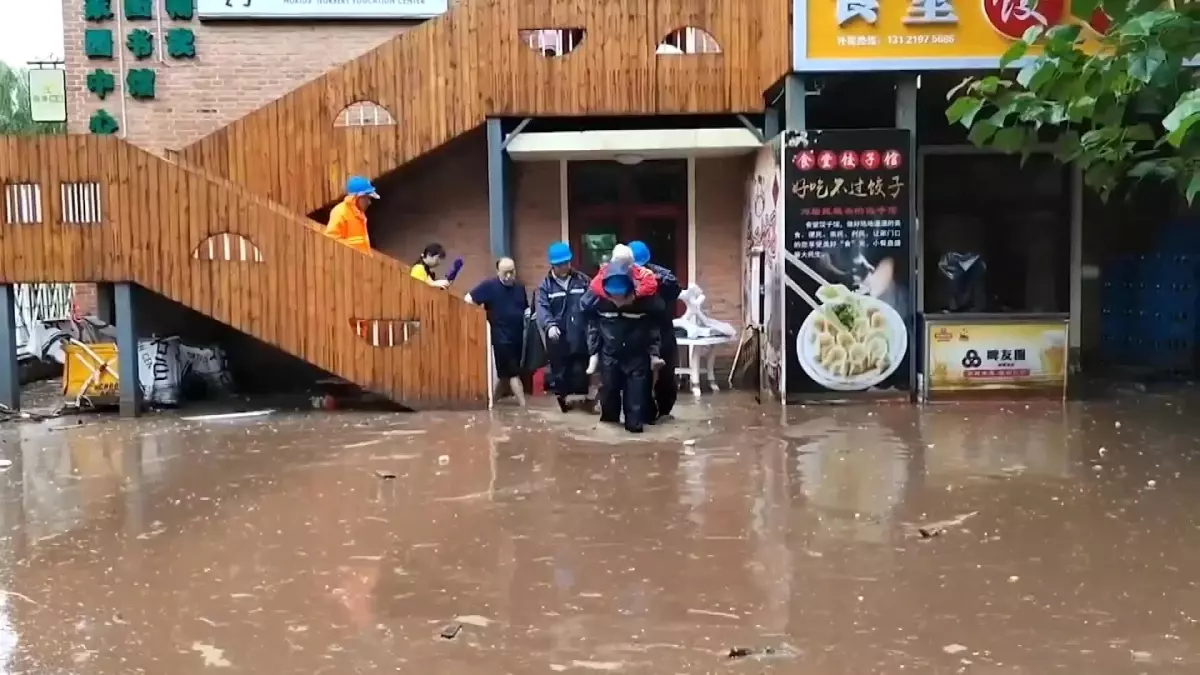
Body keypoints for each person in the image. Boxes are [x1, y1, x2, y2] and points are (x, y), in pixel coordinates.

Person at [580, 248, 666, 433]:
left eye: (622, 297)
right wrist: (593, 350)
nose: (618, 301)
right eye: (614, 297)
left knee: (635, 412)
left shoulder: (646, 298)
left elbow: (658, 319)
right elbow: (585, 312)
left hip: (637, 356)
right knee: (609, 408)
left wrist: (654, 351)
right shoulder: (597, 297)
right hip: (609, 354)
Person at [535, 242, 593, 413]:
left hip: (580, 336)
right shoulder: (545, 286)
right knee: (560, 377)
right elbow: (542, 309)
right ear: (553, 265)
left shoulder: (582, 281)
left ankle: (582, 415)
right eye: (560, 264)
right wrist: (550, 326)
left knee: (581, 374)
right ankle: (565, 411)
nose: (565, 266)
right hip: (557, 338)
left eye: (567, 262)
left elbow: (592, 301)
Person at [628, 240, 682, 422]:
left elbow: (675, 287)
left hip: (663, 329)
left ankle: (665, 411)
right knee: (641, 376)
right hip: (638, 331)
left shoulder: (658, 274)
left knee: (667, 375)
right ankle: (646, 413)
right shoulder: (622, 276)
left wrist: (656, 279)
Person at [466, 257, 529, 406]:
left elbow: (524, 308)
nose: (509, 276)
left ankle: (491, 404)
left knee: (505, 376)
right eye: (505, 273)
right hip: (500, 337)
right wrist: (479, 322)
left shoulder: (519, 288)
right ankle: (524, 408)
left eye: (511, 272)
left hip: (517, 337)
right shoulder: (489, 286)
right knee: (513, 373)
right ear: (498, 272)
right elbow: (468, 299)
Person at [324, 175, 379, 254]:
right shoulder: (340, 212)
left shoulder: (359, 214)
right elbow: (331, 242)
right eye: (368, 198)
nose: (369, 203)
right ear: (358, 197)